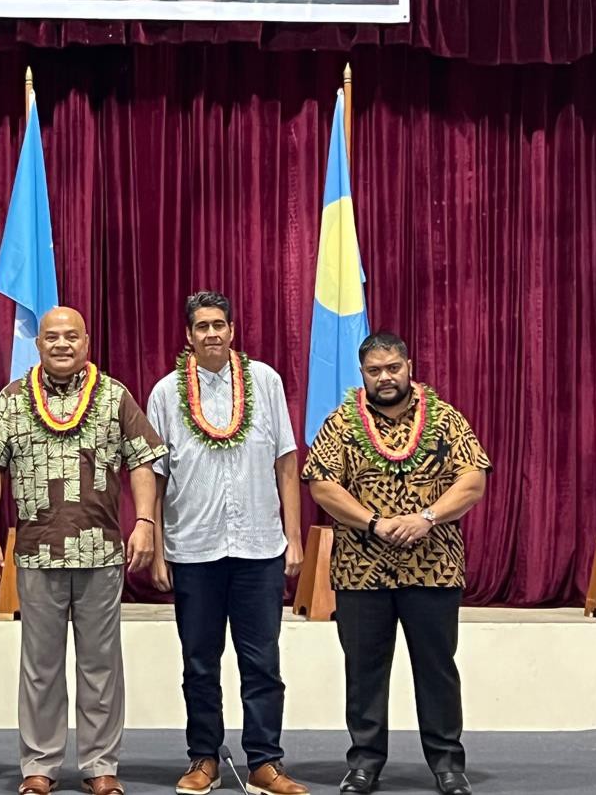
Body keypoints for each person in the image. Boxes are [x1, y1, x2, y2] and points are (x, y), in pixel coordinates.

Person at [0, 306, 165, 795]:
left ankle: (101, 766)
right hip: (36, 556)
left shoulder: (115, 396)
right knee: (41, 666)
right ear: (38, 345)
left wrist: (144, 522)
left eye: (70, 336)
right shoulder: (13, 400)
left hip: (102, 555)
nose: (61, 344)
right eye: (51, 336)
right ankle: (40, 763)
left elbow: (142, 461)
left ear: (87, 342)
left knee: (101, 665)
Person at [301, 332, 491, 795]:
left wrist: (426, 517)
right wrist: (374, 523)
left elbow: (473, 479)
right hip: (361, 572)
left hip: (434, 568)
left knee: (437, 668)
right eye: (374, 370)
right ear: (361, 373)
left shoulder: (445, 420)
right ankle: (365, 763)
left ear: (409, 366)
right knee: (364, 671)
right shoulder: (342, 424)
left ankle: (448, 765)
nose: (385, 378)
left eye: (392, 368)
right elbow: (321, 484)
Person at [145, 291, 310, 795]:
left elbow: (286, 462)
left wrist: (295, 539)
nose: (212, 333)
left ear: (232, 330)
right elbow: (152, 473)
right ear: (188, 336)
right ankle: (203, 758)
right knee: (199, 662)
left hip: (260, 547)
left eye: (220, 324)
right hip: (193, 549)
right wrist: (153, 541)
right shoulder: (165, 393)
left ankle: (265, 762)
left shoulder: (265, 382)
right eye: (202, 327)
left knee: (262, 661)